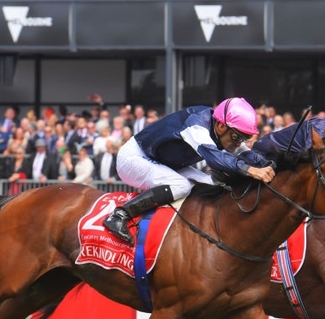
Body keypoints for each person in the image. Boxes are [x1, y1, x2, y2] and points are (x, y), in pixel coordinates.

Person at [103, 97, 274, 245]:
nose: (239, 143)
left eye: (245, 138)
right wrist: (250, 170)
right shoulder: (196, 123)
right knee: (181, 185)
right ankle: (120, 215)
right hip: (134, 157)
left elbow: (246, 154)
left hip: (165, 161)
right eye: (237, 137)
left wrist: (271, 165)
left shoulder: (224, 130)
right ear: (221, 126)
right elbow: (213, 157)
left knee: (213, 184)